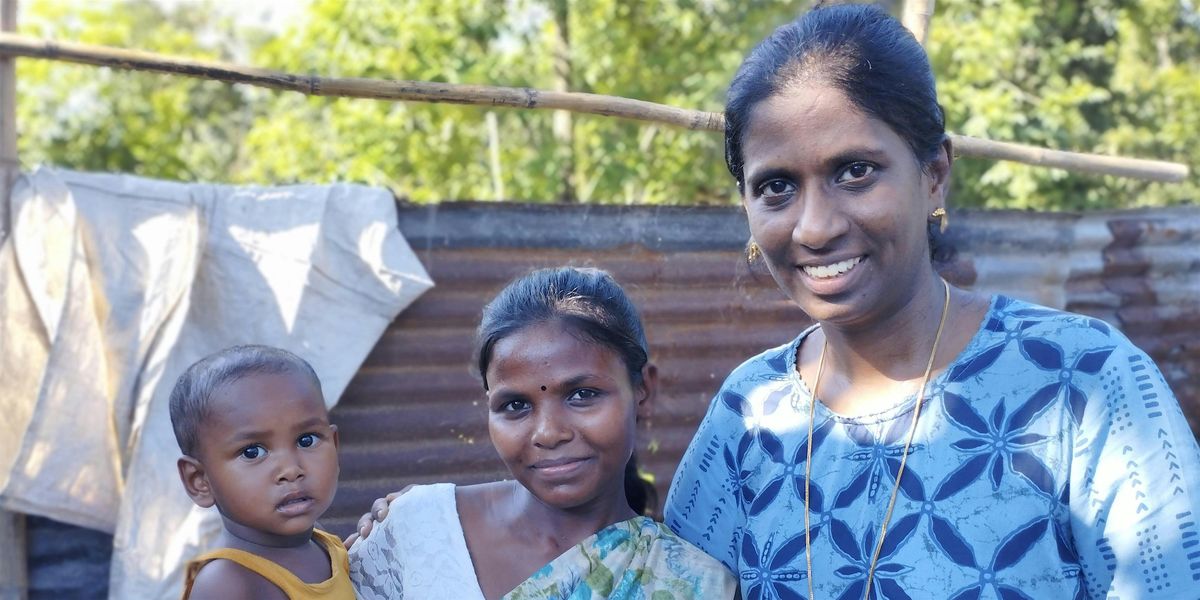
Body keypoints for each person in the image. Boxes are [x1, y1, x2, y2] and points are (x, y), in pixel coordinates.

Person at [663, 3, 1200, 600]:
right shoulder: (748, 414)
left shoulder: (1082, 382)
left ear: (935, 173)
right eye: (776, 186)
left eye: (855, 172)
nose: (814, 227)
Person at [347, 267, 736, 599]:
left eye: (583, 395)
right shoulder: (419, 531)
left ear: (643, 390)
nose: (548, 433)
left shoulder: (694, 584)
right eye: (515, 404)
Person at [169, 345, 353, 600]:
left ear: (334, 444)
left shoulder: (325, 546)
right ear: (199, 480)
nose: (291, 470)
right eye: (252, 452)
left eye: (306, 440)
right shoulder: (227, 584)